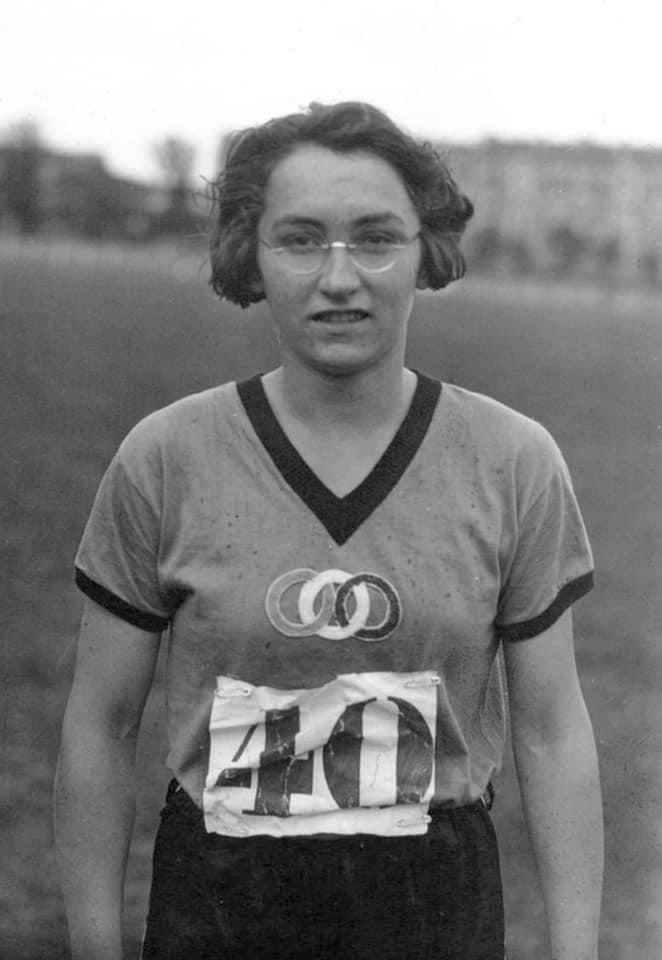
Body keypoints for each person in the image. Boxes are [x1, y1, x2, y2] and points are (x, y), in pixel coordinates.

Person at [54, 101, 603, 960]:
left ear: (426, 252)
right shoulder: (166, 455)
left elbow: (552, 730)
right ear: (253, 255)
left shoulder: (512, 460)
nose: (339, 277)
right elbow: (101, 722)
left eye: (376, 236)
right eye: (301, 238)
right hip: (220, 902)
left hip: (433, 905)